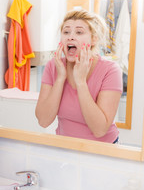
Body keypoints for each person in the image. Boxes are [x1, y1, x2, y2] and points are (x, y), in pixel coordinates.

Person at [35, 9, 122, 143]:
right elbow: (43, 120)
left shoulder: (110, 70)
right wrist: (60, 79)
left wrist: (81, 82)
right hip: (65, 148)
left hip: (102, 150)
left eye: (79, 32)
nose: (70, 37)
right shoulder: (53, 66)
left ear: (94, 39)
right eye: (66, 32)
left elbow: (99, 130)